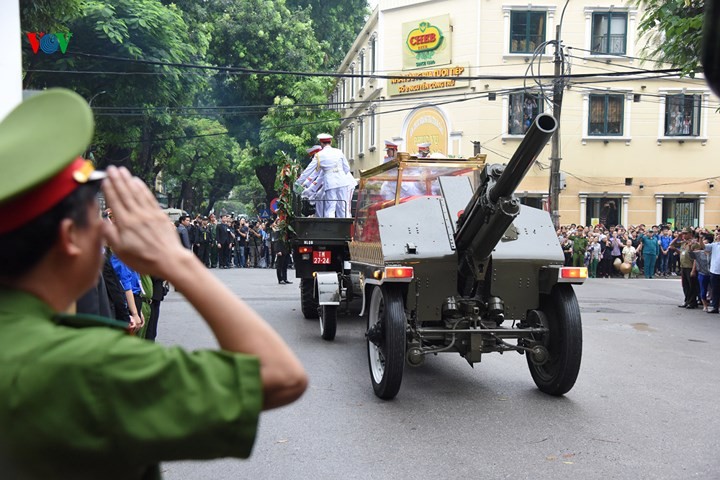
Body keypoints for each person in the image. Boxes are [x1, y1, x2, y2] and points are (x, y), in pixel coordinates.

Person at [0, 89, 307, 479]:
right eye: (97, 223)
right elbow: (280, 376)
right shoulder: (88, 367)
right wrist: (176, 260)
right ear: (69, 238)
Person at [314, 133, 355, 218]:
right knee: (343, 208)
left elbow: (310, 172)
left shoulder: (319, 155)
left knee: (330, 208)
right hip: (343, 181)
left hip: (330, 183)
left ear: (321, 144)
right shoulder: (339, 152)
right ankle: (345, 229)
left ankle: (330, 229)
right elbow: (347, 168)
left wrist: (300, 182)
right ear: (331, 142)